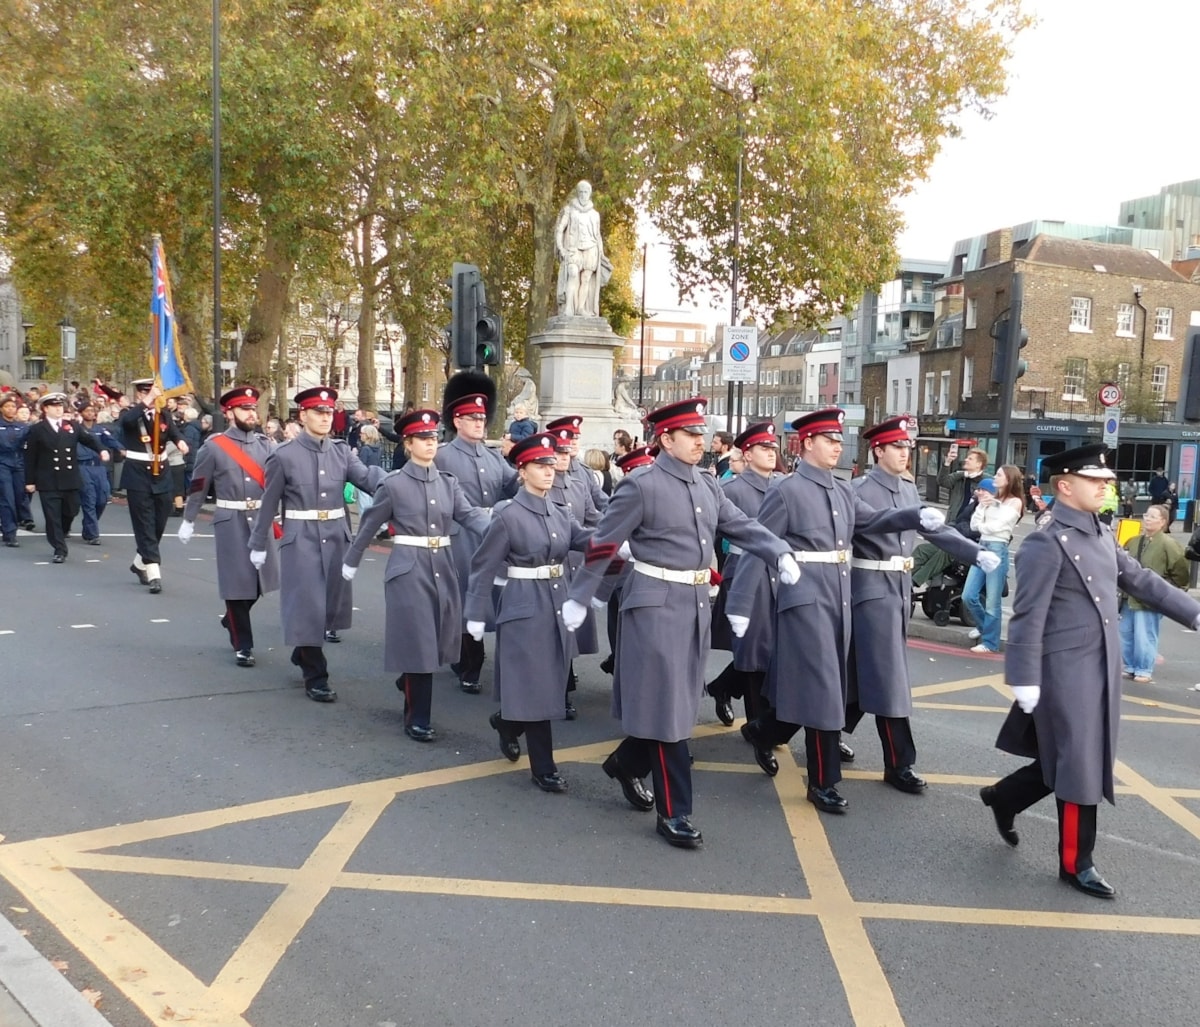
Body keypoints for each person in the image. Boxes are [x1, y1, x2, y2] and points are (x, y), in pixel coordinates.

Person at [562, 397, 800, 849]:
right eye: (690, 435)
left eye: (701, 435)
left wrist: (778, 550)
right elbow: (604, 542)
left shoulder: (708, 485)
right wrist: (582, 595)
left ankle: (626, 764)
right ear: (665, 438)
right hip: (653, 606)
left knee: (673, 702)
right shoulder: (642, 485)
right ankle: (676, 812)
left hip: (692, 605)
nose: (700, 442)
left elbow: (742, 525)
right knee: (671, 712)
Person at [981, 444, 1200, 899]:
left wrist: (1192, 612)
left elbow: (1140, 579)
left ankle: (1005, 797)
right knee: (1080, 763)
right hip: (1063, 670)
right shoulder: (1046, 540)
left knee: (1068, 756)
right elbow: (1027, 614)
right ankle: (1076, 863)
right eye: (1095, 480)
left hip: (1100, 665)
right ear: (1065, 485)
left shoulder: (1100, 533)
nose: (1105, 486)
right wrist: (1022, 674)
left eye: (1105, 481)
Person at [733, 408, 944, 814]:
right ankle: (823, 781)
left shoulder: (843, 489)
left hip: (840, 598)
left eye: (838, 439)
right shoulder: (786, 490)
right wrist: (742, 603)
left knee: (827, 687)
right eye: (829, 439)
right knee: (824, 689)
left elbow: (873, 520)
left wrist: (915, 515)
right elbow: (758, 544)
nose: (836, 446)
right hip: (803, 599)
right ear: (807, 443)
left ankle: (764, 730)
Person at [845, 415, 990, 794]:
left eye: (908, 446)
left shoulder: (908, 489)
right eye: (898, 446)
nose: (905, 452)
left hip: (898, 590)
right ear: (878, 450)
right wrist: (911, 516)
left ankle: (775, 728)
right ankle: (899, 763)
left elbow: (935, 531)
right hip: (870, 587)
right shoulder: (859, 488)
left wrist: (977, 554)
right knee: (888, 677)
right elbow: (870, 524)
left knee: (860, 674)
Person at [342, 409, 490, 742]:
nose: (430, 443)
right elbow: (368, 525)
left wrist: (502, 531)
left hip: (442, 564)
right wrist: (351, 560)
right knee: (421, 643)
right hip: (409, 568)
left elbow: (471, 516)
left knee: (440, 638)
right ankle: (418, 716)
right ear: (408, 444)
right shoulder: (394, 484)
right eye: (422, 439)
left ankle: (408, 677)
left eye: (433, 437)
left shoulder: (448, 483)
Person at [467, 431, 593, 789]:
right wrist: (475, 613)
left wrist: (619, 543)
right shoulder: (508, 515)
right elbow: (483, 566)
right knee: (538, 685)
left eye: (551, 463)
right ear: (522, 471)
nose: (549, 471)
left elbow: (582, 538)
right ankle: (544, 766)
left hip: (556, 599)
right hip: (523, 603)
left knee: (550, 680)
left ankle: (507, 722)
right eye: (540, 465)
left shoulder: (557, 509)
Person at [248, 386, 385, 702]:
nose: (325, 418)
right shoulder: (283, 455)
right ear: (303, 415)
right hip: (302, 537)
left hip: (337, 535)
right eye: (319, 413)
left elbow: (367, 478)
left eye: (328, 413)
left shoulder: (341, 452)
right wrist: (258, 542)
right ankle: (316, 674)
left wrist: (404, 483)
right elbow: (269, 503)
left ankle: (303, 650)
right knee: (308, 605)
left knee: (328, 606)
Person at [179, 387, 281, 668]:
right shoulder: (215, 446)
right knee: (238, 586)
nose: (252, 414)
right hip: (231, 521)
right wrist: (189, 518)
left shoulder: (267, 446)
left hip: (261, 521)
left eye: (253, 408)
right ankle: (243, 645)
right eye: (245, 409)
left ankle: (230, 620)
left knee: (261, 582)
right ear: (230, 412)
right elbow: (199, 484)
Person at [434, 372, 520, 694]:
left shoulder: (493, 455)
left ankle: (464, 656)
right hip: (459, 536)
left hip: (490, 533)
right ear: (457, 421)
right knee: (465, 598)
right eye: (472, 418)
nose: (479, 423)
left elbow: (511, 483)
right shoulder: (443, 455)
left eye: (482, 418)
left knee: (488, 599)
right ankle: (470, 664)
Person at [705, 422, 785, 728]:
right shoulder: (731, 489)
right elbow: (712, 533)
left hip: (778, 573)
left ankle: (723, 687)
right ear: (747, 454)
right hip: (744, 575)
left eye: (772, 448)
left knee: (772, 647)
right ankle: (757, 723)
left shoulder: (784, 484)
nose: (770, 453)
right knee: (754, 650)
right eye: (763, 449)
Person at [117, 378, 190, 593]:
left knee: (159, 522)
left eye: (156, 393)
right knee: (144, 523)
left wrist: (180, 442)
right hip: (138, 474)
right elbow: (127, 423)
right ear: (139, 394)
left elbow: (173, 431)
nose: (154, 397)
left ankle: (140, 563)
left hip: (162, 473)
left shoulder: (163, 414)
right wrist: (146, 402)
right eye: (148, 393)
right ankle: (154, 573)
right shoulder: (130, 414)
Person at [22, 393, 109, 562]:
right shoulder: (37, 429)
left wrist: (101, 449)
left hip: (70, 478)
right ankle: (59, 548)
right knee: (52, 515)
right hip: (48, 479)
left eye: (60, 406)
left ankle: (61, 533)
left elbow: (88, 439)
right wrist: (30, 481)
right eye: (54, 406)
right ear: (45, 409)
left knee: (71, 510)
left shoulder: (72, 426)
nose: (58, 409)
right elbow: (30, 457)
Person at [1119, 504, 1189, 683]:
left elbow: (1180, 570)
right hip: (1128, 597)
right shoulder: (1134, 541)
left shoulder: (1168, 544)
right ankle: (1130, 666)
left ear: (1163, 522)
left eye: (1152, 516)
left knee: (1145, 634)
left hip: (1150, 598)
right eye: (1146, 515)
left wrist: (1169, 589)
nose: (1147, 519)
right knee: (1125, 633)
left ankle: (1144, 669)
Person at [961, 466, 1024, 654]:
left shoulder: (1015, 502)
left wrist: (986, 516)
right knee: (968, 595)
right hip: (982, 547)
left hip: (997, 549)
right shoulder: (990, 500)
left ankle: (990, 642)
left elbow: (998, 526)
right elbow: (974, 525)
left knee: (992, 600)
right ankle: (984, 627)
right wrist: (982, 506)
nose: (994, 477)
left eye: (998, 475)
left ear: (1009, 479)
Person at [555, 180, 606, 318]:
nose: (583, 195)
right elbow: (560, 230)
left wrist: (601, 253)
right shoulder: (569, 210)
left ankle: (581, 308)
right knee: (572, 273)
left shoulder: (595, 214)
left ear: (590, 193)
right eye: (581, 192)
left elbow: (597, 235)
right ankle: (568, 308)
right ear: (578, 193)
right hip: (573, 248)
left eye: (586, 192)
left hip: (591, 248)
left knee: (586, 279)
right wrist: (561, 249)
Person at [75, 402, 123, 545]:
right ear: (81, 413)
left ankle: (89, 524)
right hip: (83, 466)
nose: (90, 413)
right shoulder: (77, 430)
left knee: (102, 499)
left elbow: (111, 441)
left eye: (92, 410)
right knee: (89, 498)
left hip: (99, 467)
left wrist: (121, 449)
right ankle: (92, 534)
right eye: (87, 411)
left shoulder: (100, 430)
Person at [0, 391, 33, 546]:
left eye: (13, 406)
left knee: (20, 498)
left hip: (19, 464)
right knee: (7, 498)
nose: (10, 409)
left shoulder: (23, 427)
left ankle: (11, 523)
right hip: (2, 464)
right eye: (7, 406)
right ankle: (9, 533)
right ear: (2, 409)